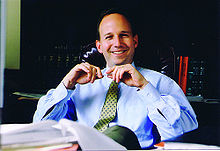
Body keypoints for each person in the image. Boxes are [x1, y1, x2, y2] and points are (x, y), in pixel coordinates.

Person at [33, 8, 198, 149]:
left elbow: (180, 134)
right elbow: (41, 127)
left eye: (124, 35)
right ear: (99, 46)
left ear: (135, 41)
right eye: (109, 37)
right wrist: (66, 85)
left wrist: (146, 88)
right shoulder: (80, 85)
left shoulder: (160, 83)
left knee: (118, 134)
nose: (117, 43)